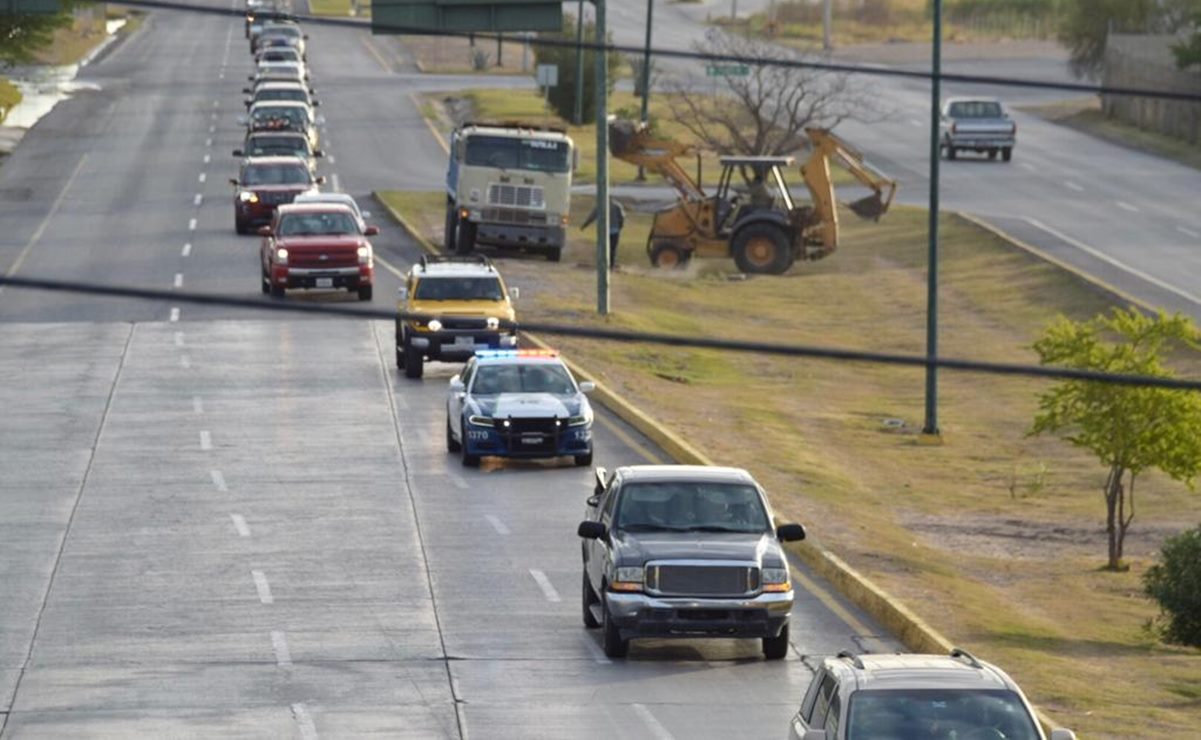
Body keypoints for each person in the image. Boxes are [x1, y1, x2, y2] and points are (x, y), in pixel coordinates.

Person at [580, 198, 626, 270]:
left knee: (603, 248)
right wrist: (620, 226)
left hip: (603, 231)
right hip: (614, 230)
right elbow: (622, 217)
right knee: (612, 249)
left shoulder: (600, 206)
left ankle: (603, 265)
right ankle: (610, 266)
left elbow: (592, 217)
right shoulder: (617, 206)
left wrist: (584, 225)